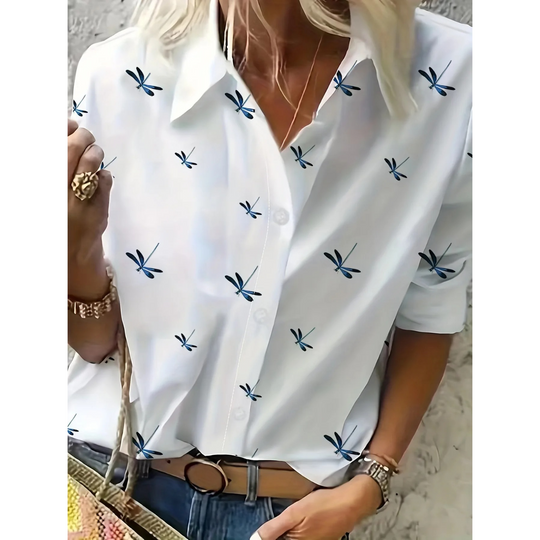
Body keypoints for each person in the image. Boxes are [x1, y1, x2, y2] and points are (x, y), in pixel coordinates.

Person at [67, 0, 472, 538]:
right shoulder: (121, 74)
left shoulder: (452, 76)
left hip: (288, 517)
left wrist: (370, 482)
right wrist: (71, 247)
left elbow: (431, 301)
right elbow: (96, 345)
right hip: (110, 488)